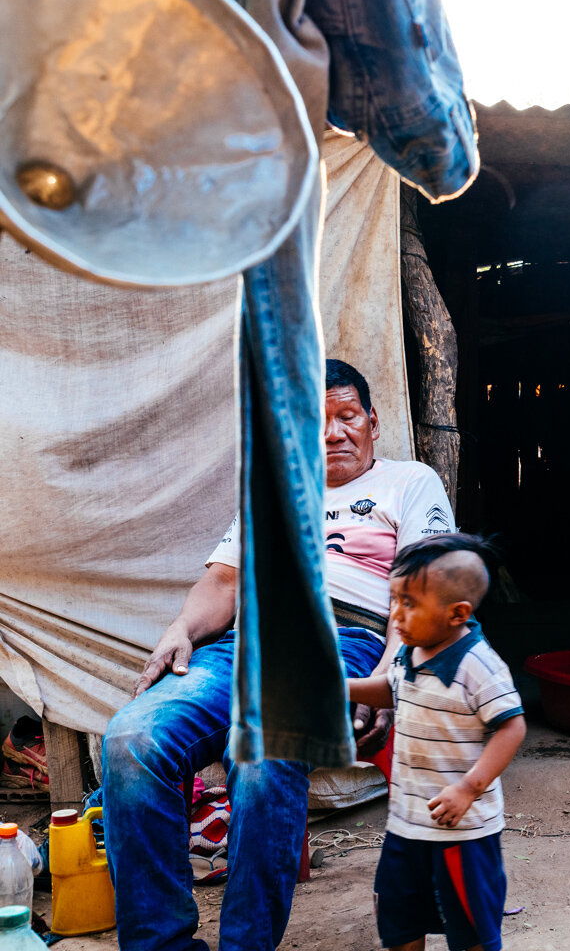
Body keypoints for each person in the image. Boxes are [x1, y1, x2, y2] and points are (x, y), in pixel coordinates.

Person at [102, 359, 455, 951]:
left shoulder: (410, 482)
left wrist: (393, 671)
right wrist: (180, 630)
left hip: (346, 645)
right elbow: (221, 586)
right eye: (317, 422)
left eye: (347, 417)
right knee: (130, 739)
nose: (334, 433)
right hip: (247, 645)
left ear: (372, 421)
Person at [347, 533, 525, 951]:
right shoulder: (410, 650)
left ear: (456, 613)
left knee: (470, 930)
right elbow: (391, 688)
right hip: (405, 825)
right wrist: (344, 688)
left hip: (462, 835)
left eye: (408, 603)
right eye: (393, 600)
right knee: (400, 922)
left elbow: (511, 727)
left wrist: (469, 787)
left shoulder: (478, 665)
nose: (395, 616)